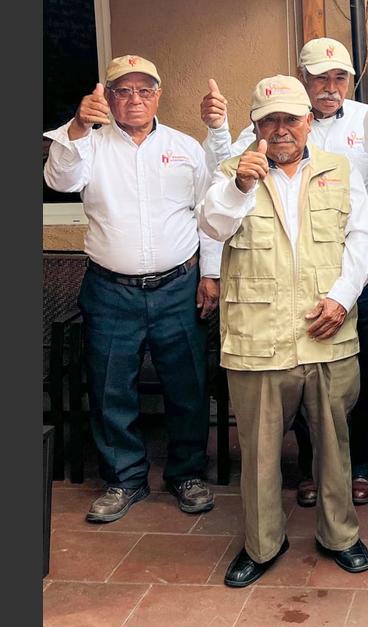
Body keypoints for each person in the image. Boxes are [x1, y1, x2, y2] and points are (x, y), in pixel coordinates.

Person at [201, 37, 368, 508]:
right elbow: (213, 224)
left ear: (309, 121)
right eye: (271, 120)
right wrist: (241, 182)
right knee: (269, 437)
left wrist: (344, 296)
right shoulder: (234, 170)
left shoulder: (342, 164)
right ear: (256, 126)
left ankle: (345, 516)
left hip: (337, 304)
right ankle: (267, 536)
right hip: (265, 325)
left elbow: (361, 233)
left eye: (292, 119)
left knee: (344, 410)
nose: (282, 129)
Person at [44, 55, 221, 523]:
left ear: (159, 95)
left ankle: (186, 474)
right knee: (109, 387)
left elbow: (208, 214)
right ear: (109, 97)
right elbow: (59, 178)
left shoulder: (186, 147)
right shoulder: (89, 144)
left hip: (178, 287)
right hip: (110, 289)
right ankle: (124, 480)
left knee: (187, 384)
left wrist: (212, 273)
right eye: (123, 90)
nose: (135, 99)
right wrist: (77, 126)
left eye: (145, 90)